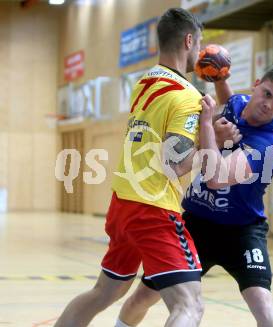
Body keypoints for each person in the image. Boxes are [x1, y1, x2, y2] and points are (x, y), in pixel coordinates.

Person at [114, 63, 273, 327]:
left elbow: (216, 178)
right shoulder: (236, 103)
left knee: (263, 305)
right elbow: (230, 103)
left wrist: (207, 125)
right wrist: (219, 78)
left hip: (242, 231)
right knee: (144, 295)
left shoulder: (270, 142)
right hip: (197, 224)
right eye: (267, 94)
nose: (268, 105)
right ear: (256, 84)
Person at [55, 8, 208, 327]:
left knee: (103, 293)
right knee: (189, 304)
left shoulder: (145, 82)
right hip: (153, 207)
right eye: (198, 45)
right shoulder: (187, 96)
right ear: (188, 40)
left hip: (123, 203)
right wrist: (208, 138)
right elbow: (175, 164)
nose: (199, 52)